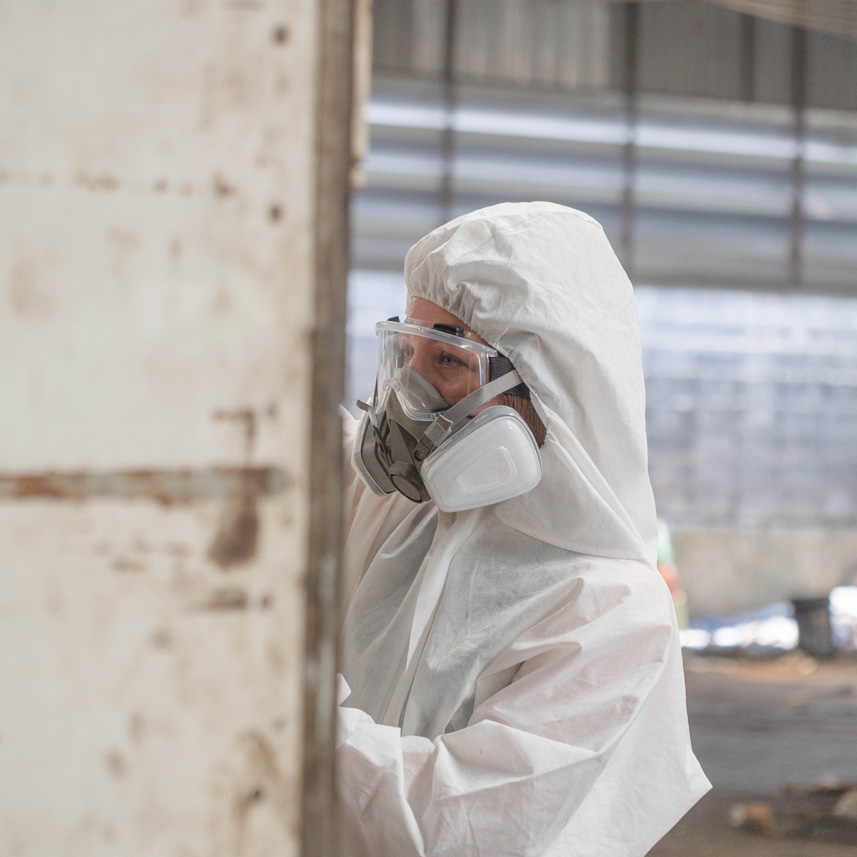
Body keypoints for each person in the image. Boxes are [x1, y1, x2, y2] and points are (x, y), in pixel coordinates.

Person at [336, 202, 710, 857]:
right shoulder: (392, 501)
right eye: (406, 347)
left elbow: (447, 825)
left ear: (546, 385)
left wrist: (279, 713)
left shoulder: (609, 609)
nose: (406, 391)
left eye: (447, 361)